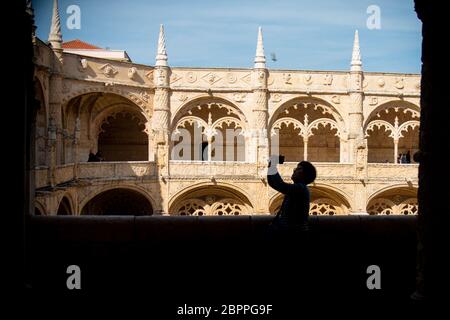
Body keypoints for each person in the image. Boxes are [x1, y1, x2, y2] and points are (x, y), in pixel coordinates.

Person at [267, 155, 316, 234]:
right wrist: (271, 166)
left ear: (305, 174)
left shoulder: (300, 188)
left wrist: (272, 164)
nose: (294, 170)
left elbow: (279, 185)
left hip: (294, 234)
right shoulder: (298, 188)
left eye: (299, 169)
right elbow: (273, 183)